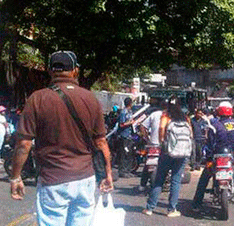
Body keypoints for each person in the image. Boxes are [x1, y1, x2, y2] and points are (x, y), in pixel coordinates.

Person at [10, 50, 113, 226]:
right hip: (84, 179)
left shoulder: (37, 99)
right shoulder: (90, 99)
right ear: (76, 71)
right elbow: (101, 142)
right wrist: (108, 173)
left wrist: (15, 177)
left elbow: (24, 144)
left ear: (50, 71)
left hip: (53, 179)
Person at [143, 95, 192, 217]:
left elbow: (161, 128)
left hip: (167, 152)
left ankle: (150, 208)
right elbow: (190, 133)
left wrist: (162, 141)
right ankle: (171, 210)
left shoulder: (165, 115)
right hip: (182, 153)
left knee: (159, 179)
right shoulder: (185, 117)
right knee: (176, 181)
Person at [192, 101, 234, 210]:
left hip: (217, 155)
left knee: (204, 178)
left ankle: (196, 204)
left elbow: (210, 143)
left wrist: (208, 158)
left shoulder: (214, 124)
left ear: (218, 112)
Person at [138, 99, 167, 191]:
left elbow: (142, 126)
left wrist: (147, 139)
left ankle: (142, 184)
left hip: (153, 144)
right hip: (165, 145)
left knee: (148, 165)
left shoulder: (154, 114)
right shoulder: (170, 116)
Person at [118, 97, 136, 178]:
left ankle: (128, 170)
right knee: (124, 154)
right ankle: (123, 171)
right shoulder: (123, 112)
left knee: (129, 154)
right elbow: (121, 124)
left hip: (130, 135)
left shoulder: (130, 112)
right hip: (124, 136)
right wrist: (129, 122)